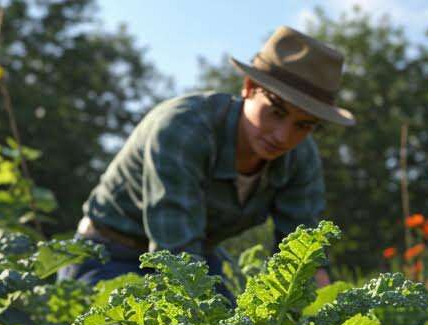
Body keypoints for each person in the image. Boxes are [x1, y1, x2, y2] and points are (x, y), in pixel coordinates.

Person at [60, 25, 355, 285]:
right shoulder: (182, 130)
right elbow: (176, 258)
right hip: (107, 255)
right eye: (275, 112)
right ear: (249, 88)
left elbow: (305, 258)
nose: (283, 136)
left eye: (303, 125)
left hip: (197, 258)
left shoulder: (300, 157)